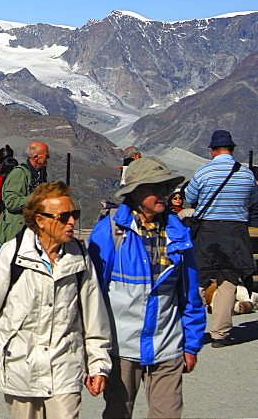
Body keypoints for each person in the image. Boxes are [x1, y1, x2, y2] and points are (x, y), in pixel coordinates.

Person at [0, 181, 111, 419]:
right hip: (20, 370)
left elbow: (95, 317)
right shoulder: (12, 256)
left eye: (74, 214)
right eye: (64, 216)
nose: (72, 221)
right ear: (40, 220)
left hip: (65, 369)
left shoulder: (80, 257)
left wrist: (98, 365)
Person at [88, 157, 205, 419]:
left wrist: (191, 344)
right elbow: (92, 294)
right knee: (118, 412)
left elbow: (190, 292)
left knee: (168, 414)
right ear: (136, 192)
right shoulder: (110, 231)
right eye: (155, 188)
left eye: (167, 188)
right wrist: (93, 351)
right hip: (121, 347)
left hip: (168, 344)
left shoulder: (178, 233)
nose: (164, 194)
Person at [183, 130, 258, 347]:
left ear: (212, 150)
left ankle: (192, 332)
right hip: (236, 232)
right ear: (232, 150)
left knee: (198, 280)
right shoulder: (246, 174)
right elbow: (252, 200)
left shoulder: (204, 172)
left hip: (208, 231)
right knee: (228, 282)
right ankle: (221, 334)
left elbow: (190, 198)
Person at [0, 141, 49, 245]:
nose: (48, 158)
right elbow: (11, 203)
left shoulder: (40, 174)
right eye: (46, 155)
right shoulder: (20, 173)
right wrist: (36, 199)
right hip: (17, 230)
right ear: (36, 156)